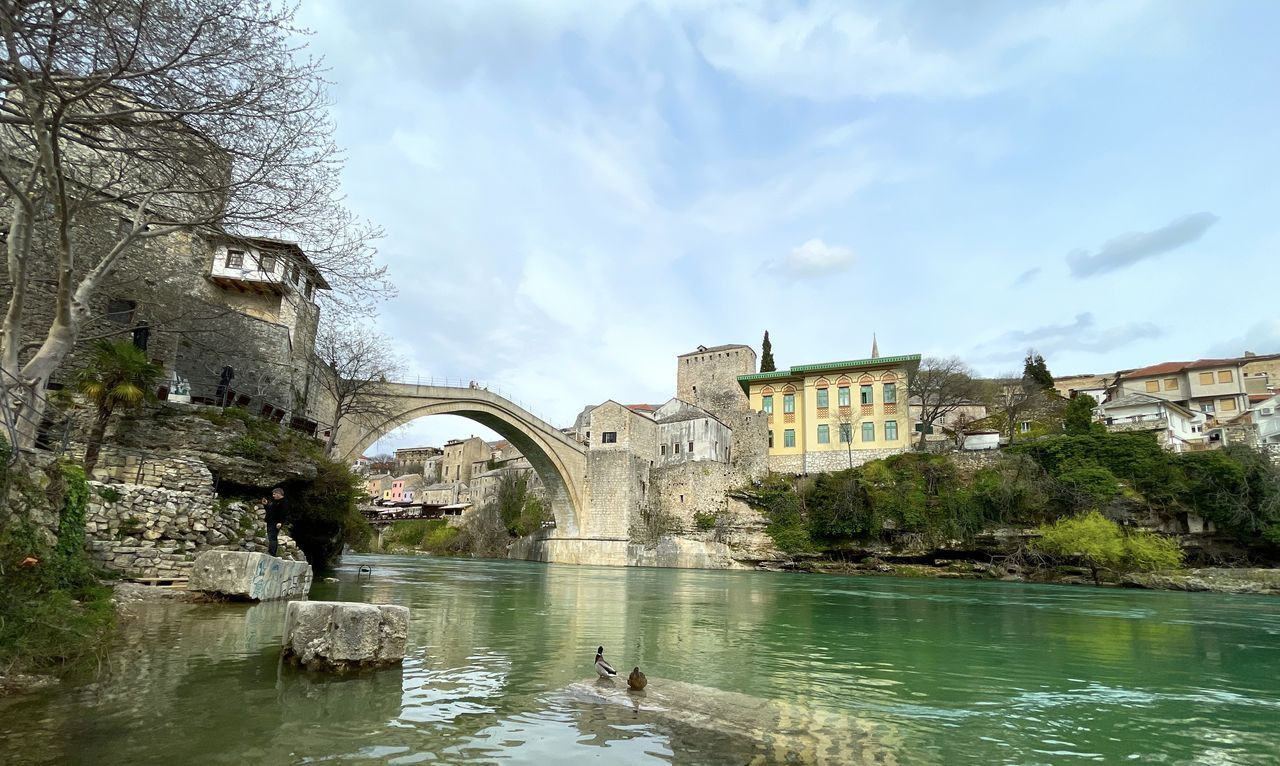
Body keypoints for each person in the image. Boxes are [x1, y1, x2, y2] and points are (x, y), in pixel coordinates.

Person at [261, 487, 288, 556]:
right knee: (271, 537)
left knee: (272, 537)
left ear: (279, 494)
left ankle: (272, 552)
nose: (273, 496)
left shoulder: (284, 502)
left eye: (274, 494)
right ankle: (271, 552)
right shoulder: (275, 502)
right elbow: (269, 511)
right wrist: (266, 505)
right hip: (270, 521)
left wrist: (280, 522)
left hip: (276, 523)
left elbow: (284, 513)